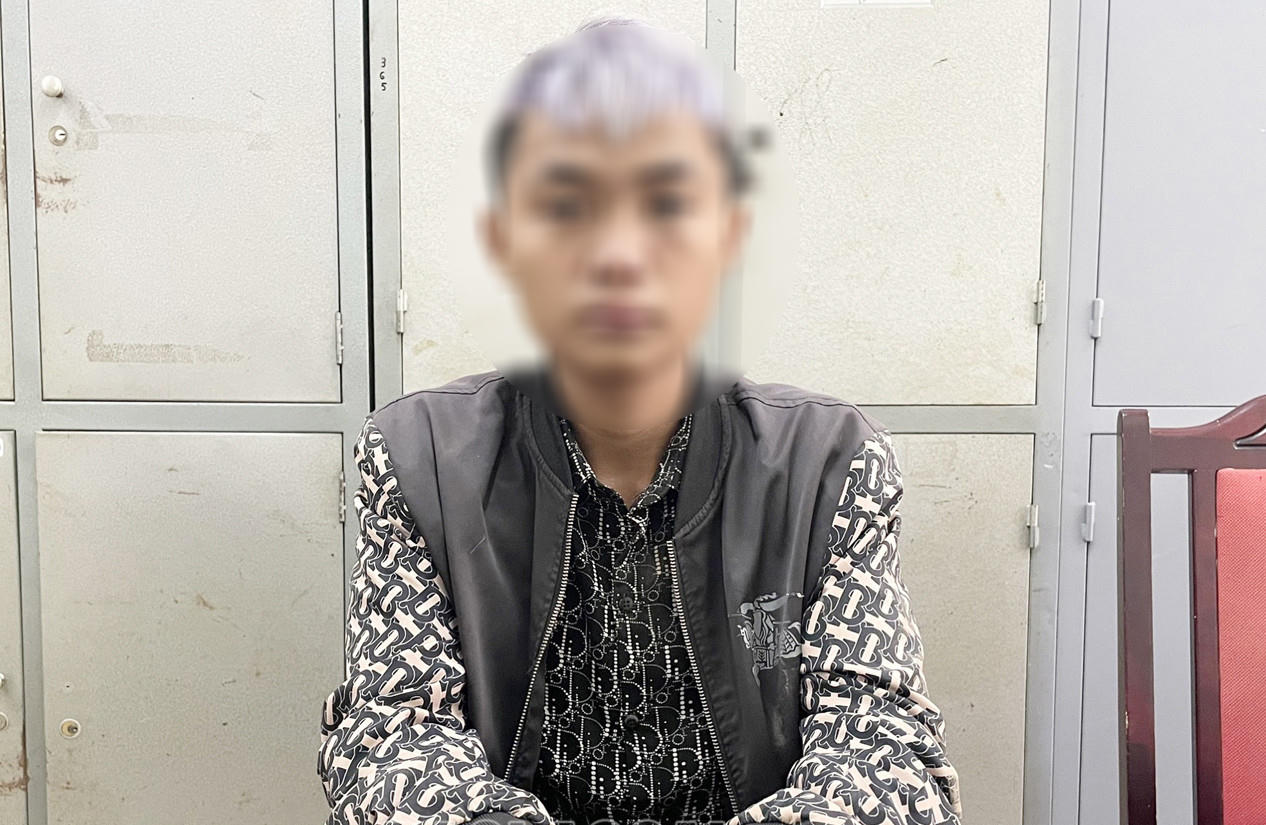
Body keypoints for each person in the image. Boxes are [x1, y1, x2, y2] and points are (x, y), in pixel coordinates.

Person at [317, 14, 962, 825]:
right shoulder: (419, 463)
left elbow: (885, 759)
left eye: (666, 202)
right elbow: (391, 743)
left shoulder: (828, 467)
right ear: (505, 241)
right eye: (567, 204)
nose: (619, 254)